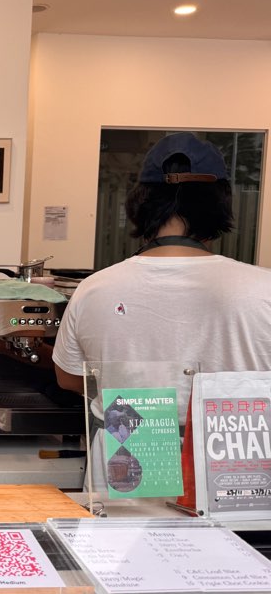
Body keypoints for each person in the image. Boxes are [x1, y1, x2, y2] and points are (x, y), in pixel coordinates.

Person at [53, 132, 271, 404]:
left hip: (126, 444)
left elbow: (69, 377)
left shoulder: (93, 290)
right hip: (237, 446)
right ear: (221, 203)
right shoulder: (265, 288)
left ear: (140, 201)